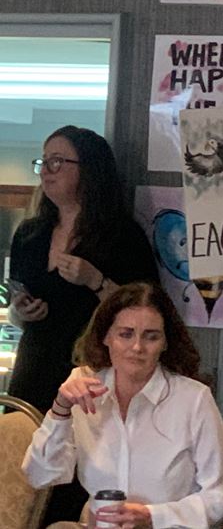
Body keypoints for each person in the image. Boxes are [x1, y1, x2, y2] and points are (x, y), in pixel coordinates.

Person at [22, 282, 223, 528]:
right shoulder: (83, 386)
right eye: (126, 334)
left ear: (165, 343)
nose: (137, 347)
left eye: (151, 336)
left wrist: (153, 516)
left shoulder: (194, 398)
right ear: (106, 337)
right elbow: (40, 475)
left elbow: (220, 498)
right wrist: (60, 410)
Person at [9, 126, 158, 415]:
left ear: (89, 170)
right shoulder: (29, 235)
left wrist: (96, 280)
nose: (45, 171)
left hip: (93, 378)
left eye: (57, 161)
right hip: (32, 372)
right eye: (43, 161)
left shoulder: (122, 236)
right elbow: (16, 308)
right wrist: (20, 312)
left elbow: (149, 312)